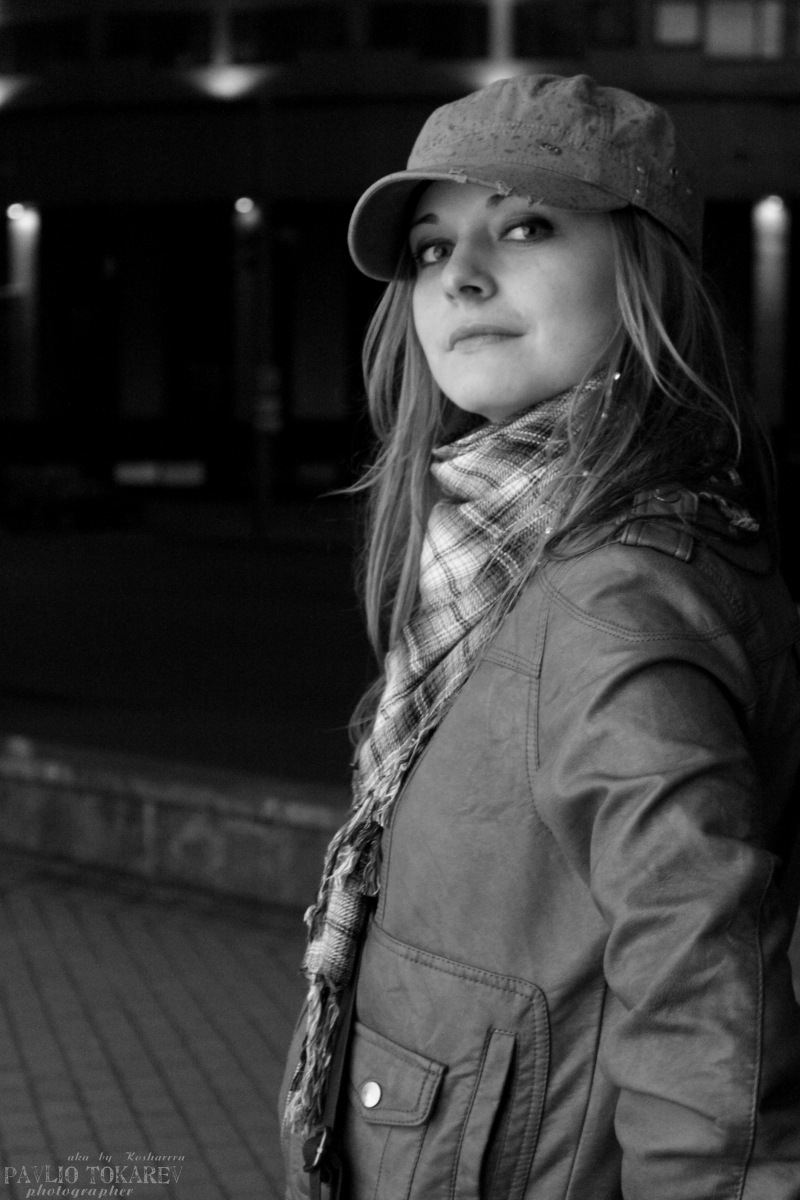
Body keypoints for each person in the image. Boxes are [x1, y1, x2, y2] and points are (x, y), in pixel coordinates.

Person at [279, 74, 800, 1199]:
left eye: (524, 228)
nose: (460, 275)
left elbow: (708, 1039)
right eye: (431, 248)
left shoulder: (615, 600)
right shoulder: (503, 562)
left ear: (645, 269)